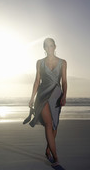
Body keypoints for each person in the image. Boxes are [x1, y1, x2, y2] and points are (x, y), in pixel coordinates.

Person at [27, 38, 67, 170]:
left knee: (54, 126)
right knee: (49, 125)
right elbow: (37, 80)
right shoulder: (39, 62)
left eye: (51, 45)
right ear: (44, 48)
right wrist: (32, 98)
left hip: (56, 95)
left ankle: (48, 151)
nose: (49, 48)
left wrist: (64, 95)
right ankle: (56, 159)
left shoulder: (63, 62)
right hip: (43, 95)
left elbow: (64, 82)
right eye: (46, 46)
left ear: (55, 46)